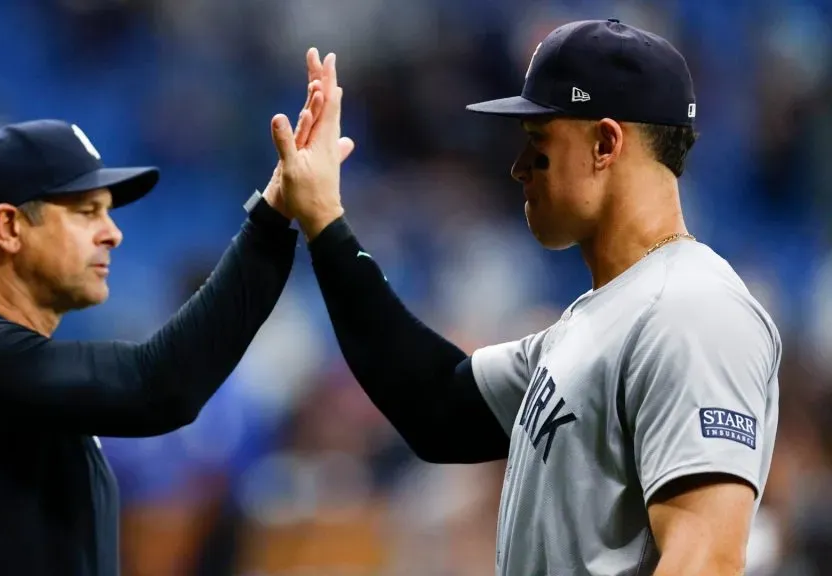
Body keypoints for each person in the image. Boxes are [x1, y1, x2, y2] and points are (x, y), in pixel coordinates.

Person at [272, 20, 781, 576]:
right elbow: (437, 405)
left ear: (606, 143)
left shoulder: (692, 308)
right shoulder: (603, 317)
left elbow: (705, 557)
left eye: (538, 143)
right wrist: (324, 219)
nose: (517, 168)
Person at [0, 49, 352, 575]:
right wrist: (273, 215)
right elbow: (159, 386)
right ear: (9, 228)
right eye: (85, 213)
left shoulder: (10, 369)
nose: (113, 232)